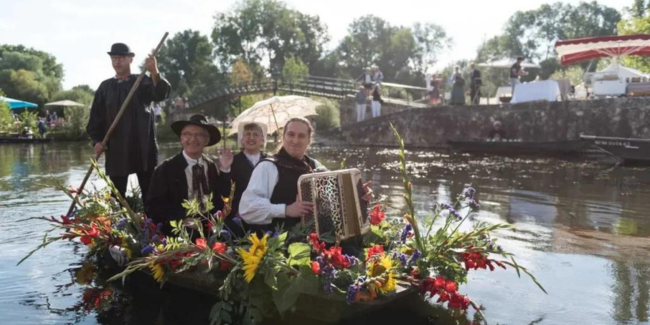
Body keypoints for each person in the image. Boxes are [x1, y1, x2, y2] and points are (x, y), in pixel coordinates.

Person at [239, 117, 373, 234]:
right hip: (278, 243)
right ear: (283, 137)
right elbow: (247, 209)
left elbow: (336, 202)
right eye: (291, 134)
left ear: (309, 140)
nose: (295, 140)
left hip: (317, 239)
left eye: (301, 136)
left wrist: (359, 197)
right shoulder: (267, 167)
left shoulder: (316, 166)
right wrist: (286, 210)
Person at [87, 42, 171, 204]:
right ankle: (118, 223)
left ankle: (152, 224)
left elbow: (160, 94)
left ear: (130, 60)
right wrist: (97, 141)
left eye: (122, 58)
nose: (117, 62)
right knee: (117, 195)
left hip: (143, 145)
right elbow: (96, 118)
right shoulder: (105, 87)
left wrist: (154, 71)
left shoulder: (142, 82)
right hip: (116, 147)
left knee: (149, 192)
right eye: (114, 58)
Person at [146, 114, 233, 235]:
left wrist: (225, 168)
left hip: (209, 221)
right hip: (180, 225)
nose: (193, 139)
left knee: (235, 229)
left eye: (199, 135)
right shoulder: (167, 168)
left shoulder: (211, 166)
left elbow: (222, 196)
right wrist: (182, 219)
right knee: (191, 233)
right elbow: (154, 206)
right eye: (187, 134)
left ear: (206, 140)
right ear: (181, 139)